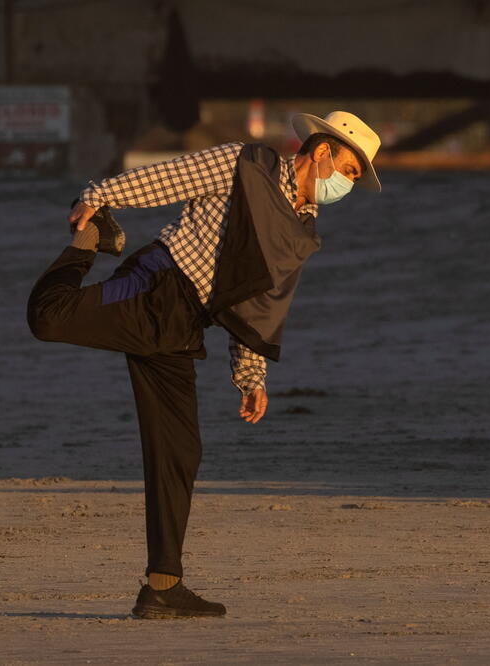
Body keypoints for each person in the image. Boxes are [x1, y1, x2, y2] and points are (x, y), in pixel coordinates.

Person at [27, 111, 382, 619]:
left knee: (181, 450)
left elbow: (259, 304)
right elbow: (169, 179)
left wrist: (251, 376)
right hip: (156, 285)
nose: (345, 184)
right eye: (348, 170)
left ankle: (162, 587)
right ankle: (91, 242)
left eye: (353, 178)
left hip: (183, 325)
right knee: (48, 319)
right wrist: (100, 196)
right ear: (321, 152)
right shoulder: (245, 162)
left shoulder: (301, 233)